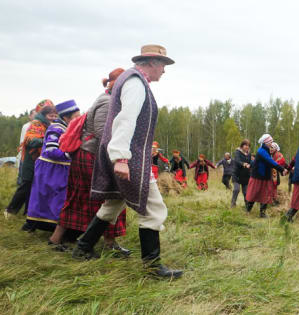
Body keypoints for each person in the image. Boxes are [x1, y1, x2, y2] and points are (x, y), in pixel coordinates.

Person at [72, 44, 183, 279]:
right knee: (154, 209)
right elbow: (126, 120)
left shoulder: (132, 80)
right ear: (151, 62)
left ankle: (83, 247)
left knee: (112, 205)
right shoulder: (135, 83)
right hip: (128, 158)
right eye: (163, 65)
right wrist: (121, 157)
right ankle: (152, 267)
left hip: (123, 155)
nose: (164, 70)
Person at [49, 68, 129, 255]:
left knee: (82, 198)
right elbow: (104, 133)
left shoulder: (109, 100)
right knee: (108, 196)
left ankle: (57, 239)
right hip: (91, 155)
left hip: (90, 155)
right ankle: (109, 243)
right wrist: (123, 152)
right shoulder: (109, 102)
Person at [23, 100, 81, 232]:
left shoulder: (66, 128)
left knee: (54, 198)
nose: (79, 119)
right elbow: (51, 150)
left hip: (58, 169)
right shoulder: (56, 129)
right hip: (50, 169)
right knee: (48, 197)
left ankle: (47, 226)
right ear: (66, 117)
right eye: (76, 117)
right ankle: (42, 225)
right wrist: (71, 155)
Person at [4, 102, 56, 219]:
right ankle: (9, 211)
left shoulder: (50, 125)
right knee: (26, 186)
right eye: (50, 116)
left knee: (35, 188)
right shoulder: (36, 124)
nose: (53, 118)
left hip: (41, 161)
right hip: (30, 161)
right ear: (44, 115)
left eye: (55, 116)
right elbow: (30, 141)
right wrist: (47, 140)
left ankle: (28, 213)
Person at [246, 134, 286, 218]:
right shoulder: (262, 151)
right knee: (254, 194)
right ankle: (248, 211)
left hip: (265, 177)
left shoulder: (266, 150)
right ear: (266, 142)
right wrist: (282, 169)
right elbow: (270, 161)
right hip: (258, 177)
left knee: (265, 195)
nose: (272, 143)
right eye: (270, 141)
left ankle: (262, 213)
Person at [16, 109, 36, 184]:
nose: (36, 117)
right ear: (30, 116)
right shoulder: (26, 126)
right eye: (34, 115)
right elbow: (24, 141)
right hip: (25, 153)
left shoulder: (39, 126)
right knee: (22, 176)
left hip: (35, 154)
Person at [231, 139, 251, 208]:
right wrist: (243, 164)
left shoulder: (249, 154)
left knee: (246, 192)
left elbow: (250, 162)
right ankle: (233, 204)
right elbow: (237, 160)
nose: (247, 147)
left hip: (245, 175)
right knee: (236, 189)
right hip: (236, 174)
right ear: (242, 145)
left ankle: (247, 207)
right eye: (245, 145)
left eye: (248, 145)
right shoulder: (237, 152)